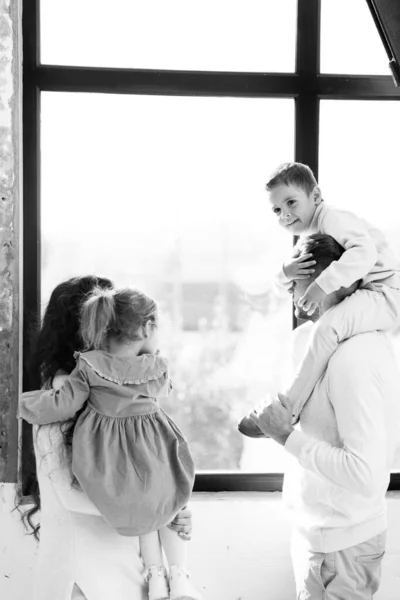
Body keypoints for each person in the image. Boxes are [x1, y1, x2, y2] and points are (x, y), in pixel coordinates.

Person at [19, 285, 202, 600]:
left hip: (121, 573)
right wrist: (157, 505)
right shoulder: (66, 391)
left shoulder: (122, 387)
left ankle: (174, 573)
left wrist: (167, 504)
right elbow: (71, 494)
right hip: (81, 579)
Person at [251, 233, 400, 598]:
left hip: (340, 549)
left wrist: (287, 438)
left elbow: (364, 474)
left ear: (335, 283)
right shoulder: (308, 341)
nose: (299, 304)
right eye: (292, 292)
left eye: (304, 290)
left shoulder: (356, 357)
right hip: (314, 538)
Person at [239, 161, 400, 437]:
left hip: (386, 294)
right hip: (368, 291)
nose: (285, 214)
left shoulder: (331, 219)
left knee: (327, 328)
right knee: (320, 330)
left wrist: (320, 287)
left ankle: (286, 411)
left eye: (291, 202)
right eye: (277, 210)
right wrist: (284, 273)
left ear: (315, 196)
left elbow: (364, 254)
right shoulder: (313, 233)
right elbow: (285, 290)